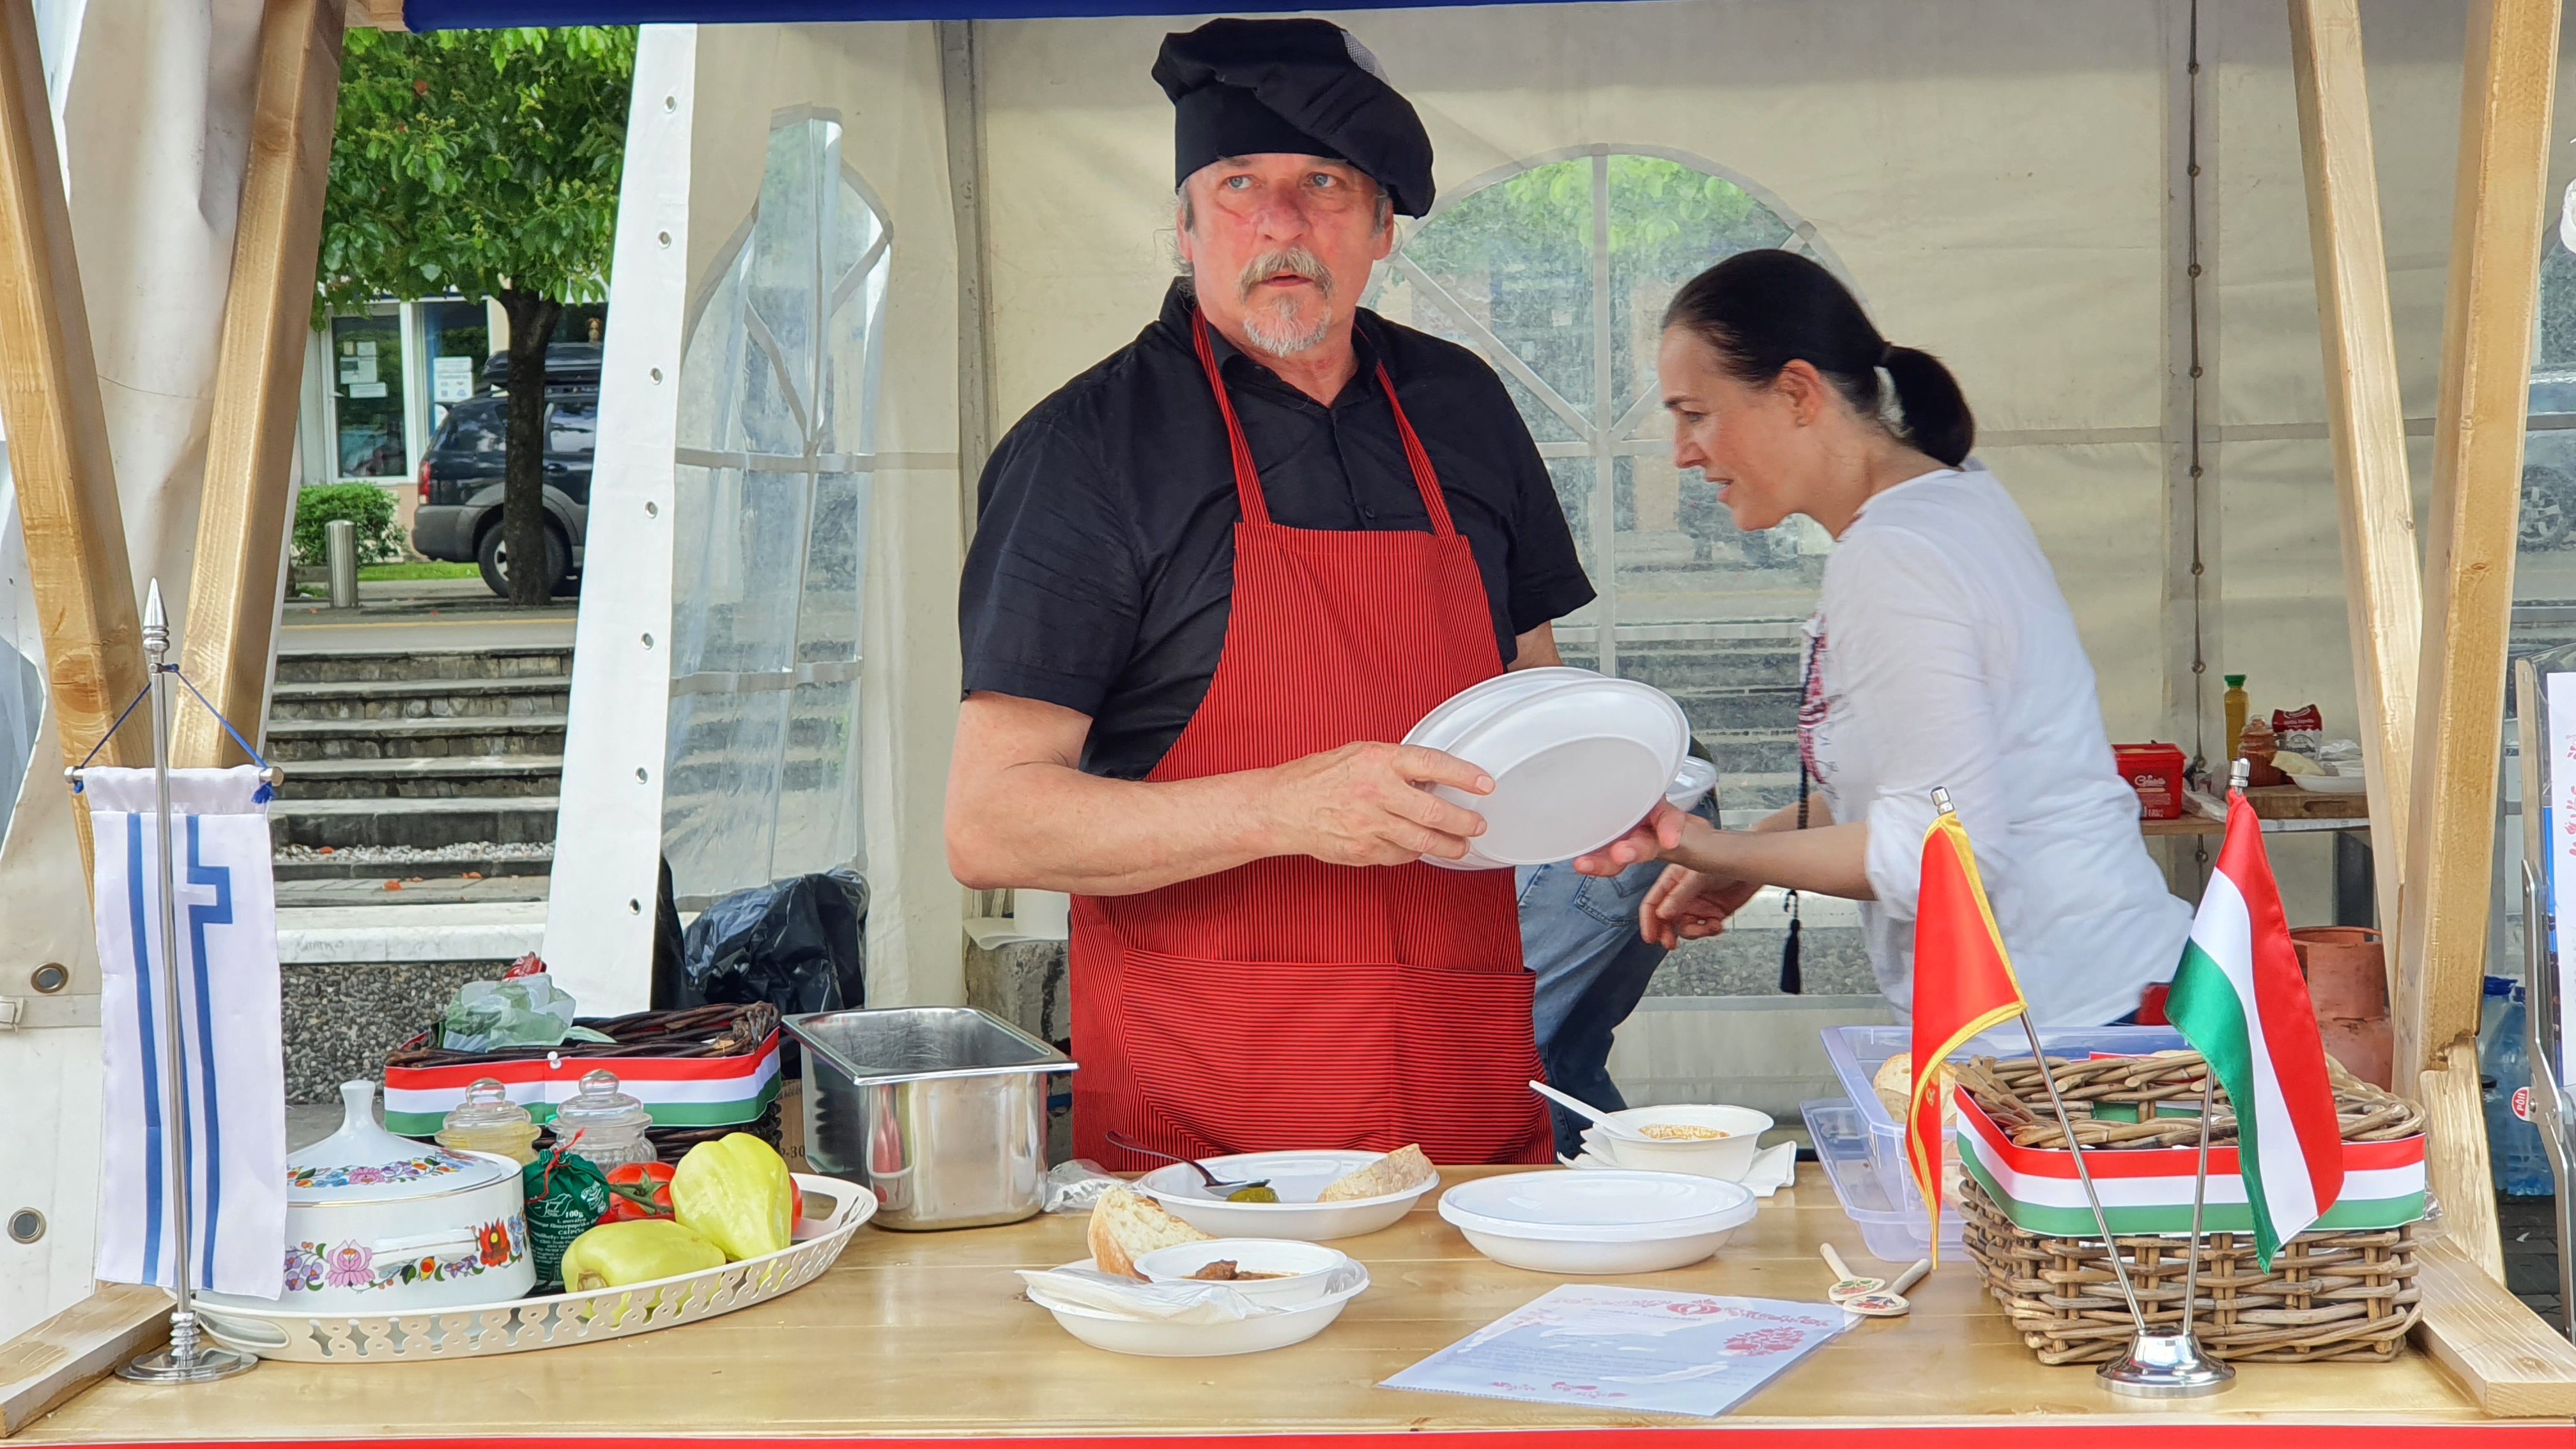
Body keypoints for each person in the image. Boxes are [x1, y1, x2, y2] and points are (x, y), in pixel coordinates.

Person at [945, 17, 1596, 1170]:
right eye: (1239, 183)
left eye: (1325, 184)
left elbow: (1528, 691)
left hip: (1457, 1092)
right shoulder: (1087, 450)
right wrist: (1287, 810)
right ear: (1187, 224)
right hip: (1210, 1119)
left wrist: (1604, 793)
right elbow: (990, 822)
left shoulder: (1464, 408)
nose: (1282, 223)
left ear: (1382, 226)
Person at [1576, 250, 2190, 1027]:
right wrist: (1758, 850)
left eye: (1695, 414)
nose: (1681, 451)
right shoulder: (1951, 498)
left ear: (1798, 393)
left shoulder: (1893, 556)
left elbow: (1943, 853)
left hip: (2069, 1023)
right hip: (2102, 994)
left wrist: (1705, 848)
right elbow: (1933, 782)